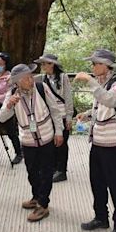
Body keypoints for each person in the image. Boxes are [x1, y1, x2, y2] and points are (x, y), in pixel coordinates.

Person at [0, 64, 64, 222]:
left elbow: (55, 110)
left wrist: (59, 132)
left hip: (47, 137)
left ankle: (43, 204)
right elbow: (1, 118)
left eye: (31, 76)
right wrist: (9, 105)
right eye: (26, 78)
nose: (30, 79)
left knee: (46, 172)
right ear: (17, 82)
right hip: (28, 141)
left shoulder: (42, 88)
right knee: (32, 172)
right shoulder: (12, 95)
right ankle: (36, 196)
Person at [74, 49, 116, 232]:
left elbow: (111, 100)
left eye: (95, 63)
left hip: (113, 146)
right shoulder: (104, 84)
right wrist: (87, 114)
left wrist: (89, 81)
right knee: (97, 183)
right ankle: (101, 217)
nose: (93, 67)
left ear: (106, 65)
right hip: (97, 143)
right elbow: (101, 105)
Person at [34, 53, 74, 182]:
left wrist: (69, 117)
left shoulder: (63, 78)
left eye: (45, 63)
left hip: (62, 114)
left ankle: (62, 170)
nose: (43, 66)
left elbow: (68, 97)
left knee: (62, 144)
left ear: (52, 64)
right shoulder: (41, 78)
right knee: (51, 143)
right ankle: (54, 168)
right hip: (49, 116)